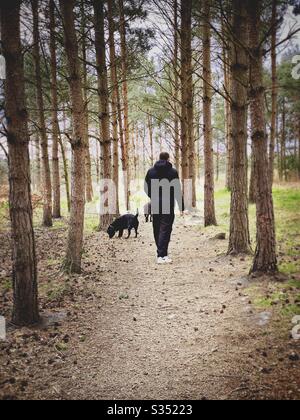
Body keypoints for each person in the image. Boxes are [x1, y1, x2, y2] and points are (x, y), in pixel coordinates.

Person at [145, 152, 184, 265]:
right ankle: (162, 255)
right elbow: (177, 189)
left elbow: (146, 187)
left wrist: (152, 196)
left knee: (156, 227)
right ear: (168, 159)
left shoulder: (151, 171)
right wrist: (181, 206)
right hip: (168, 203)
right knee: (165, 229)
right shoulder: (173, 172)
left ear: (159, 158)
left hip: (156, 203)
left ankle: (161, 253)